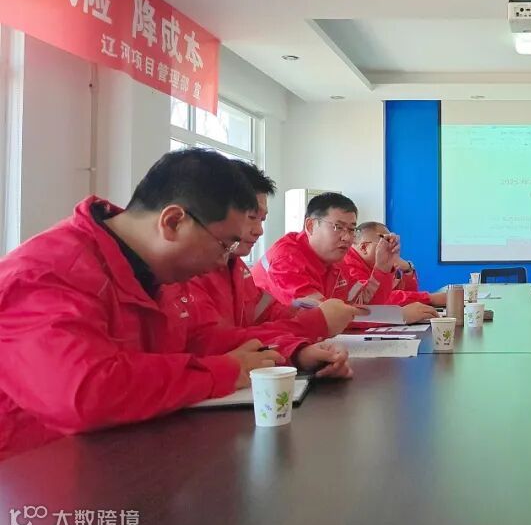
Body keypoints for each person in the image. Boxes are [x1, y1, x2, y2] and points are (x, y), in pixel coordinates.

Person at [0, 149, 350, 461]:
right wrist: (223, 371)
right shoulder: (46, 273)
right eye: (224, 245)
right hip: (36, 476)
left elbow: (200, 339)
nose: (223, 261)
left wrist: (293, 352)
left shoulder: (157, 271)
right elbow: (84, 394)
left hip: (126, 458)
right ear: (173, 222)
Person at [165, 161, 366, 342]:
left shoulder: (235, 266)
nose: (259, 230)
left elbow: (265, 316)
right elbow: (215, 344)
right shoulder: (186, 271)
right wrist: (312, 323)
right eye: (251, 217)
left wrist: (299, 351)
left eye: (262, 219)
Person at [252, 193, 437, 324]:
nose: (347, 237)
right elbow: (324, 316)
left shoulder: (335, 260)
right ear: (310, 226)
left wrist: (382, 268)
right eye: (338, 227)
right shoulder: (286, 260)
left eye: (351, 229)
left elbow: (362, 301)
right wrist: (397, 316)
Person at [343, 222, 446, 307]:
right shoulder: (348, 265)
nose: (391, 247)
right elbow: (381, 301)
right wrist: (430, 298)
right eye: (385, 242)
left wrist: (407, 270)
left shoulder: (380, 263)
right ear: (364, 248)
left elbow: (408, 294)